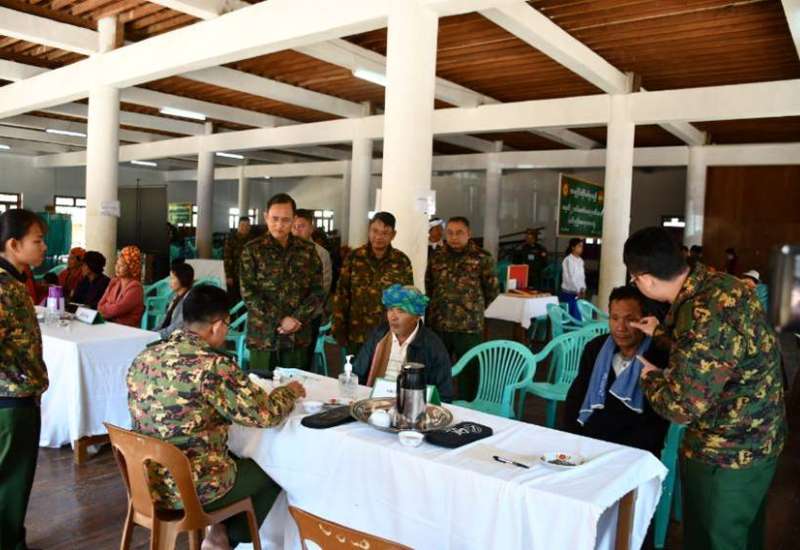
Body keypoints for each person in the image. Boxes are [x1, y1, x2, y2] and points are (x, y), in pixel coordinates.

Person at [624, 226, 786, 550]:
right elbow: (716, 351)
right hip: (760, 438)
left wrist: (651, 378)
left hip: (726, 454)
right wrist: (660, 334)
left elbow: (682, 406)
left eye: (634, 278)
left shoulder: (702, 312)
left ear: (646, 280)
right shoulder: (720, 284)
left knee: (714, 540)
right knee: (743, 536)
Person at [127, 284, 306, 550]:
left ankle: (218, 531)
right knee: (274, 471)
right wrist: (289, 392)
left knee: (230, 454)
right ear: (218, 325)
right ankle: (226, 541)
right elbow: (266, 415)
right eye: (227, 326)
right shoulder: (213, 365)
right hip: (190, 488)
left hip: (146, 481)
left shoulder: (145, 356)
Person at [563, 286, 669, 457]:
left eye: (630, 319)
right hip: (590, 442)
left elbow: (657, 422)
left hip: (636, 449)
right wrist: (570, 440)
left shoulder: (659, 356)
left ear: (645, 321)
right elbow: (576, 398)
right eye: (614, 318)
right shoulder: (595, 349)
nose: (620, 328)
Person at [0, 209, 49, 550]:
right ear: (13, 244)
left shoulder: (14, 282)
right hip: (11, 402)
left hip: (15, 398)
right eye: (38, 241)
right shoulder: (4, 287)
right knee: (10, 485)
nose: (44, 247)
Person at [240, 194, 324, 373]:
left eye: (285, 220)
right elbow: (249, 293)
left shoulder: (307, 250)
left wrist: (297, 319)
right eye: (274, 219)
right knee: (261, 386)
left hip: (297, 336)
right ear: (266, 217)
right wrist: (281, 319)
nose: (279, 225)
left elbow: (317, 291)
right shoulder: (252, 250)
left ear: (294, 219)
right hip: (263, 337)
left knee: (296, 386)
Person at [426, 216, 499, 401]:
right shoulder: (437, 257)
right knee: (438, 370)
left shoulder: (482, 257)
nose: (454, 237)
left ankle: (469, 408)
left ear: (469, 234)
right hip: (439, 324)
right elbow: (430, 286)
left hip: (469, 327)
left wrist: (472, 308)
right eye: (450, 233)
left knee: (470, 372)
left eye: (459, 233)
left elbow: (492, 290)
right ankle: (438, 406)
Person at [353, 284, 454, 402]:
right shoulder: (379, 335)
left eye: (401, 311)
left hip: (413, 404)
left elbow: (444, 395)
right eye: (390, 309)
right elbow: (357, 373)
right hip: (375, 399)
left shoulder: (432, 345)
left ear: (417, 317)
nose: (393, 317)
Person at [332, 212, 413, 358]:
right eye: (375, 231)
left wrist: (405, 331)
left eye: (385, 233)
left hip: (389, 333)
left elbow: (407, 299)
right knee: (356, 370)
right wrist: (338, 327)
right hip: (356, 332)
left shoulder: (401, 261)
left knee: (384, 371)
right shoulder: (354, 257)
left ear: (393, 235)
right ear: (369, 230)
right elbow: (341, 294)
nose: (379, 237)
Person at [292, 209, 332, 371]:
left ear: (311, 228)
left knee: (304, 361)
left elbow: (323, 287)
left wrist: (300, 314)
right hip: (285, 316)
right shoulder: (284, 250)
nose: (296, 230)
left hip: (310, 316)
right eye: (294, 226)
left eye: (301, 226)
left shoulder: (321, 254)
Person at [98, 245, 145, 327]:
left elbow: (118, 309)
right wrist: (109, 309)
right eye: (117, 264)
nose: (117, 267)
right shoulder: (114, 282)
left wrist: (107, 307)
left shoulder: (136, 287)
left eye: (122, 265)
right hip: (110, 324)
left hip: (126, 328)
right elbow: (100, 305)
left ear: (131, 267)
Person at [157, 261, 194, 340]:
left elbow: (176, 328)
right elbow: (163, 322)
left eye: (172, 278)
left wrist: (155, 336)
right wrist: (150, 333)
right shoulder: (175, 297)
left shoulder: (189, 300)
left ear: (182, 279)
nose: (169, 281)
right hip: (166, 336)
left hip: (178, 340)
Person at [224, 216, 253, 305]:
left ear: (250, 227)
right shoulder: (231, 239)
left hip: (249, 275)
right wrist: (228, 275)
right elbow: (227, 257)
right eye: (242, 225)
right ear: (238, 226)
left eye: (247, 225)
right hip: (235, 274)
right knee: (234, 299)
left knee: (247, 299)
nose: (245, 228)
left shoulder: (253, 239)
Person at [560, 237, 586, 320]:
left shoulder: (581, 261)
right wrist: (578, 290)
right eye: (579, 246)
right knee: (569, 317)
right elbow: (570, 278)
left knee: (578, 315)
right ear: (573, 247)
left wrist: (583, 289)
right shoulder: (568, 260)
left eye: (582, 246)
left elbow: (582, 277)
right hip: (568, 294)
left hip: (578, 293)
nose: (581, 248)